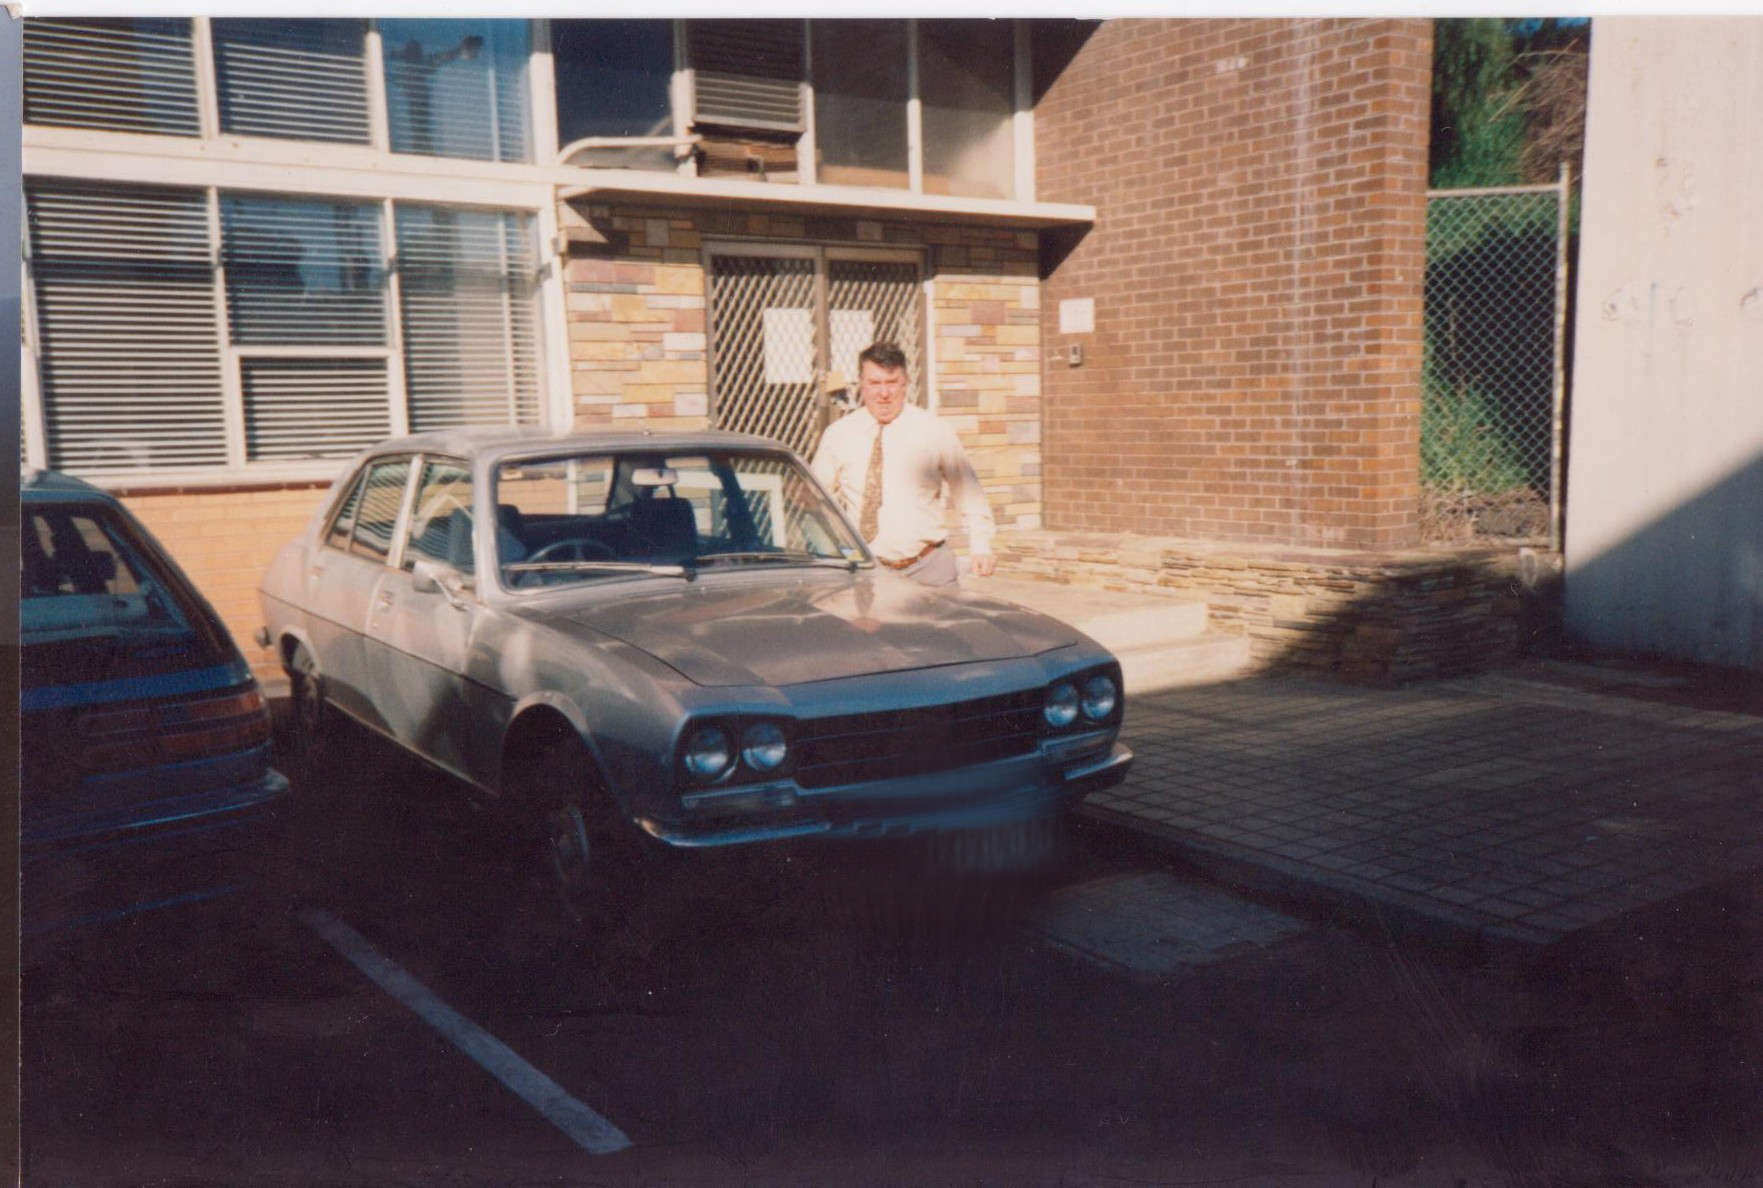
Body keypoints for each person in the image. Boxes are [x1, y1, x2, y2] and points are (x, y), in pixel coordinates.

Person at [811, 341, 997, 587]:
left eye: (891, 383)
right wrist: (835, 553)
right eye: (875, 383)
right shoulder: (839, 435)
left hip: (930, 569)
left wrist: (981, 545)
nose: (884, 393)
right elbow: (816, 500)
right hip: (867, 573)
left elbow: (968, 490)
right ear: (862, 384)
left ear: (905, 382)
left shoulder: (933, 430)